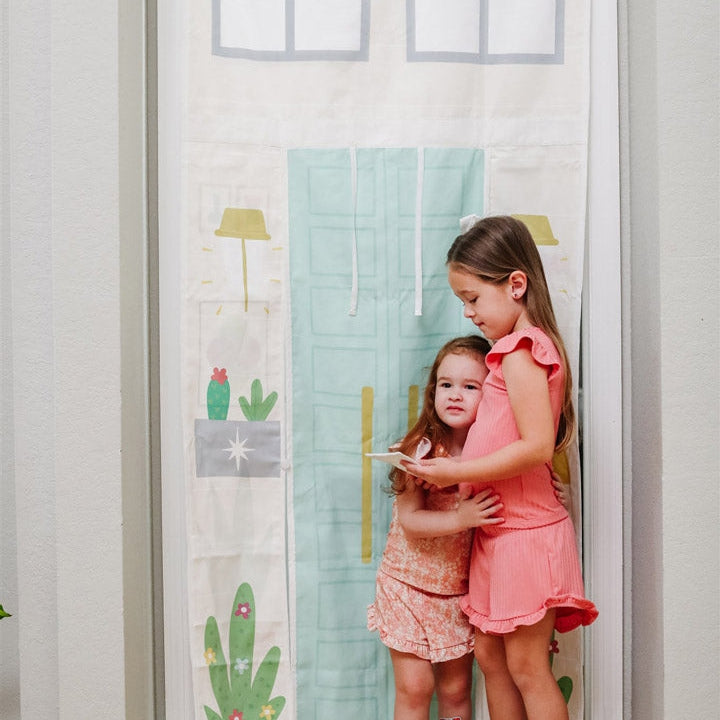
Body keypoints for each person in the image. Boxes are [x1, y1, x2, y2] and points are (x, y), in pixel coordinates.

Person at [403, 215, 598, 720]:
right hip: (499, 531)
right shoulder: (508, 353)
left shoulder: (521, 351)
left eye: (472, 298)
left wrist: (452, 474)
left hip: (524, 537)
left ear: (515, 285)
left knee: (527, 666)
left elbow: (536, 446)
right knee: (491, 657)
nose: (468, 313)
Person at [368, 335, 505, 720]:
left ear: (492, 396)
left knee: (456, 689)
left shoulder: (491, 456)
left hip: (456, 594)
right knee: (415, 687)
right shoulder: (420, 449)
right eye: (446, 384)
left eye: (470, 387)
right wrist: (462, 518)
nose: (455, 395)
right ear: (433, 393)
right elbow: (411, 521)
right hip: (405, 587)